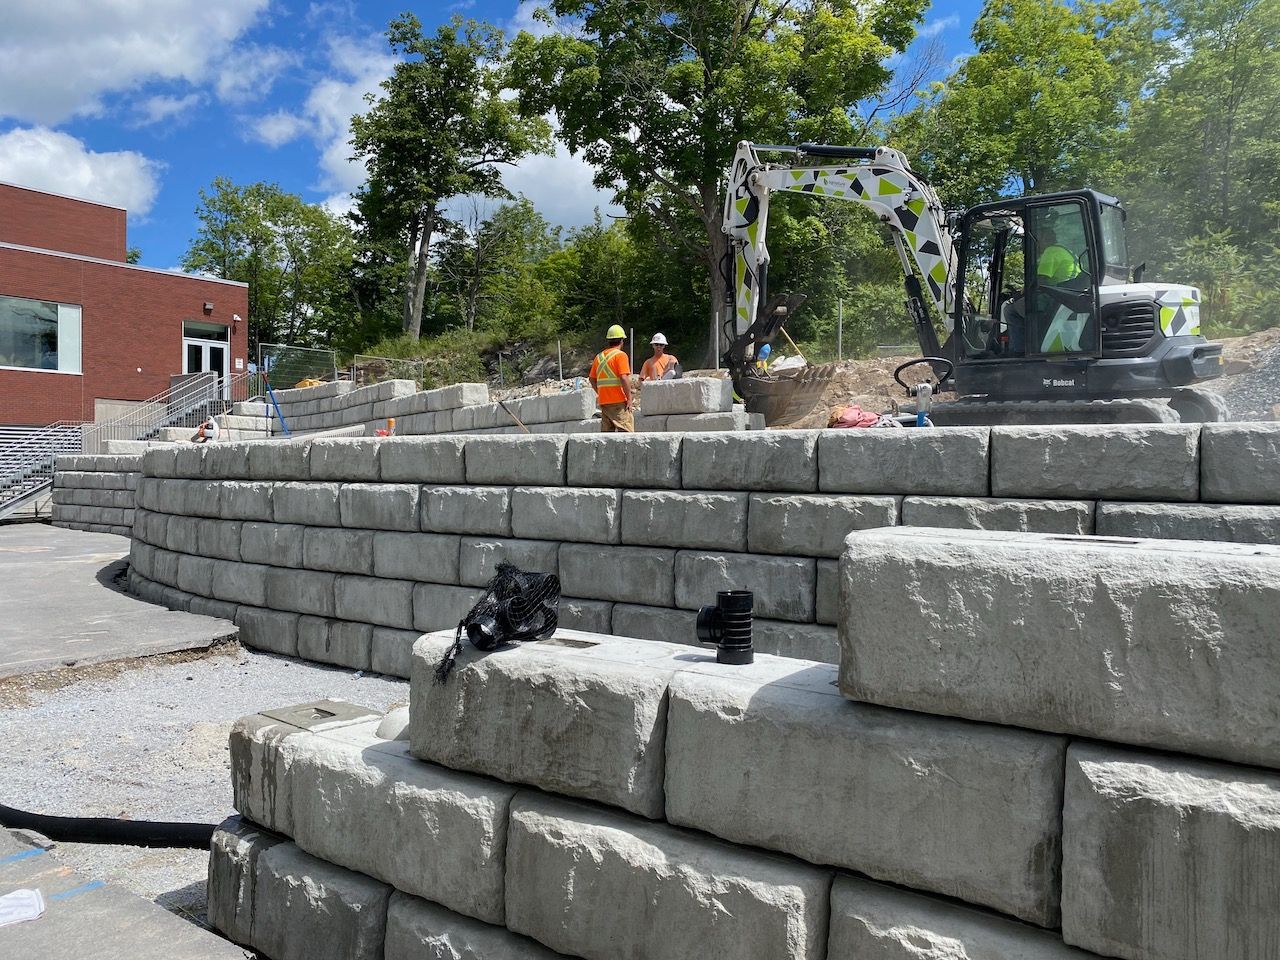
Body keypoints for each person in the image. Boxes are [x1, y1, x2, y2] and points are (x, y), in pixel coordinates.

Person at [589, 324, 634, 432]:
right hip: (618, 401)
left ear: (608, 341)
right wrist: (629, 398)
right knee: (626, 433)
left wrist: (601, 392)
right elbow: (623, 378)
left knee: (607, 436)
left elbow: (591, 379)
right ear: (622, 341)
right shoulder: (620, 355)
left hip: (604, 401)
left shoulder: (599, 357)